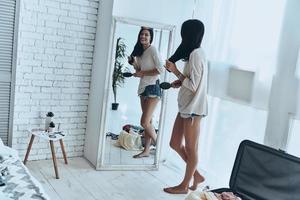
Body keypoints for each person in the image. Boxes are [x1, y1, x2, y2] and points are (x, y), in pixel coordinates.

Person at [163, 19, 208, 194]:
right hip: (186, 107)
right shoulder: (195, 53)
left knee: (191, 148)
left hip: (194, 110)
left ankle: (184, 185)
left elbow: (195, 85)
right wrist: (180, 81)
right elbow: (192, 81)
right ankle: (197, 175)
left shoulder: (197, 54)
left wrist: (175, 71)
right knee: (174, 143)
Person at [128, 27, 164, 158]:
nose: (143, 36)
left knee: (144, 122)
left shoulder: (153, 49)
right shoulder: (140, 52)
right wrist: (133, 63)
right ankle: (147, 151)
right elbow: (139, 70)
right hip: (143, 88)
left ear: (151, 37)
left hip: (153, 87)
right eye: (142, 34)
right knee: (148, 122)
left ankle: (159, 148)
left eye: (146, 35)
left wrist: (142, 73)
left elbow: (160, 69)